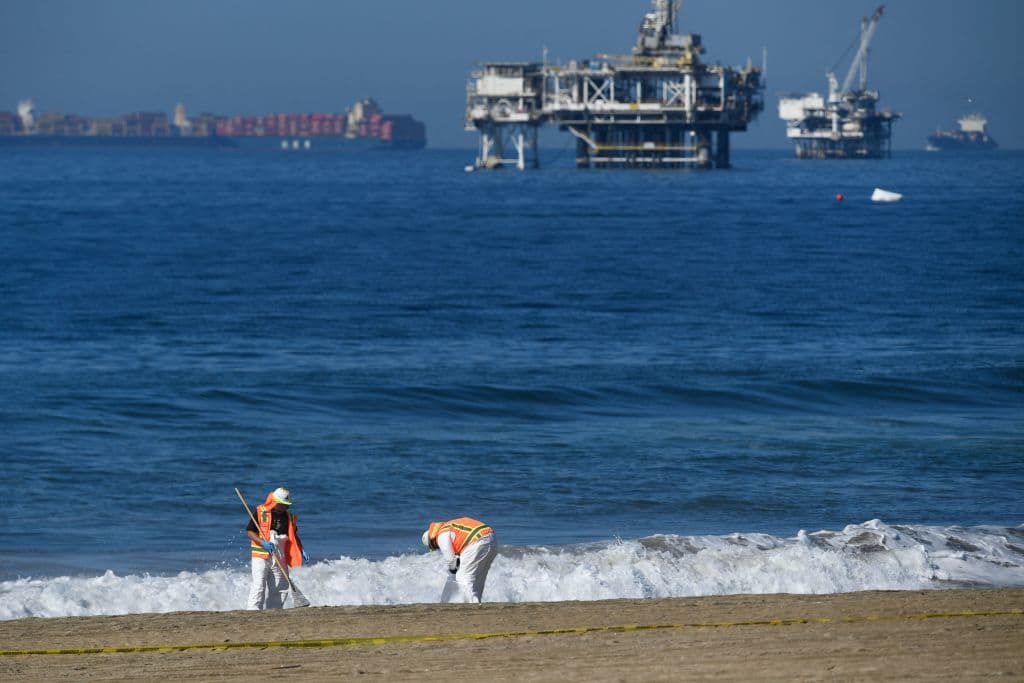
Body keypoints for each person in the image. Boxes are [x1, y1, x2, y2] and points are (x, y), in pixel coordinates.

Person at [246, 487, 308, 610]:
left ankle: (274, 611)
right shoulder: (261, 512)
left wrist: (301, 549)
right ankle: (253, 611)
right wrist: (263, 543)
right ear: (274, 502)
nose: (284, 507)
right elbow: (250, 532)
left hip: (280, 555)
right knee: (259, 584)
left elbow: (294, 536)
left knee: (281, 586)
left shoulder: (289, 517)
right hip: (261, 554)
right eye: (282, 504)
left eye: (286, 505)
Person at [422, 517, 497, 603]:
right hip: (492, 539)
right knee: (478, 579)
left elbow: (450, 559)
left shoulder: (441, 534)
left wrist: (453, 569)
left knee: (463, 577)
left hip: (477, 541)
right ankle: (477, 602)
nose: (437, 548)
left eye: (434, 547)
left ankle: (472, 605)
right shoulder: (449, 527)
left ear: (432, 541)